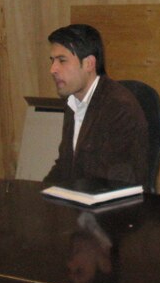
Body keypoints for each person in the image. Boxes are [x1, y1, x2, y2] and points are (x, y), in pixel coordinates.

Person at [42, 23, 149, 188]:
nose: (53, 69)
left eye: (62, 61)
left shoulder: (119, 107)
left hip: (113, 207)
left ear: (89, 64)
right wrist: (41, 193)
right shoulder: (73, 102)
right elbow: (65, 164)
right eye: (52, 61)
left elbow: (115, 179)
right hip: (81, 201)